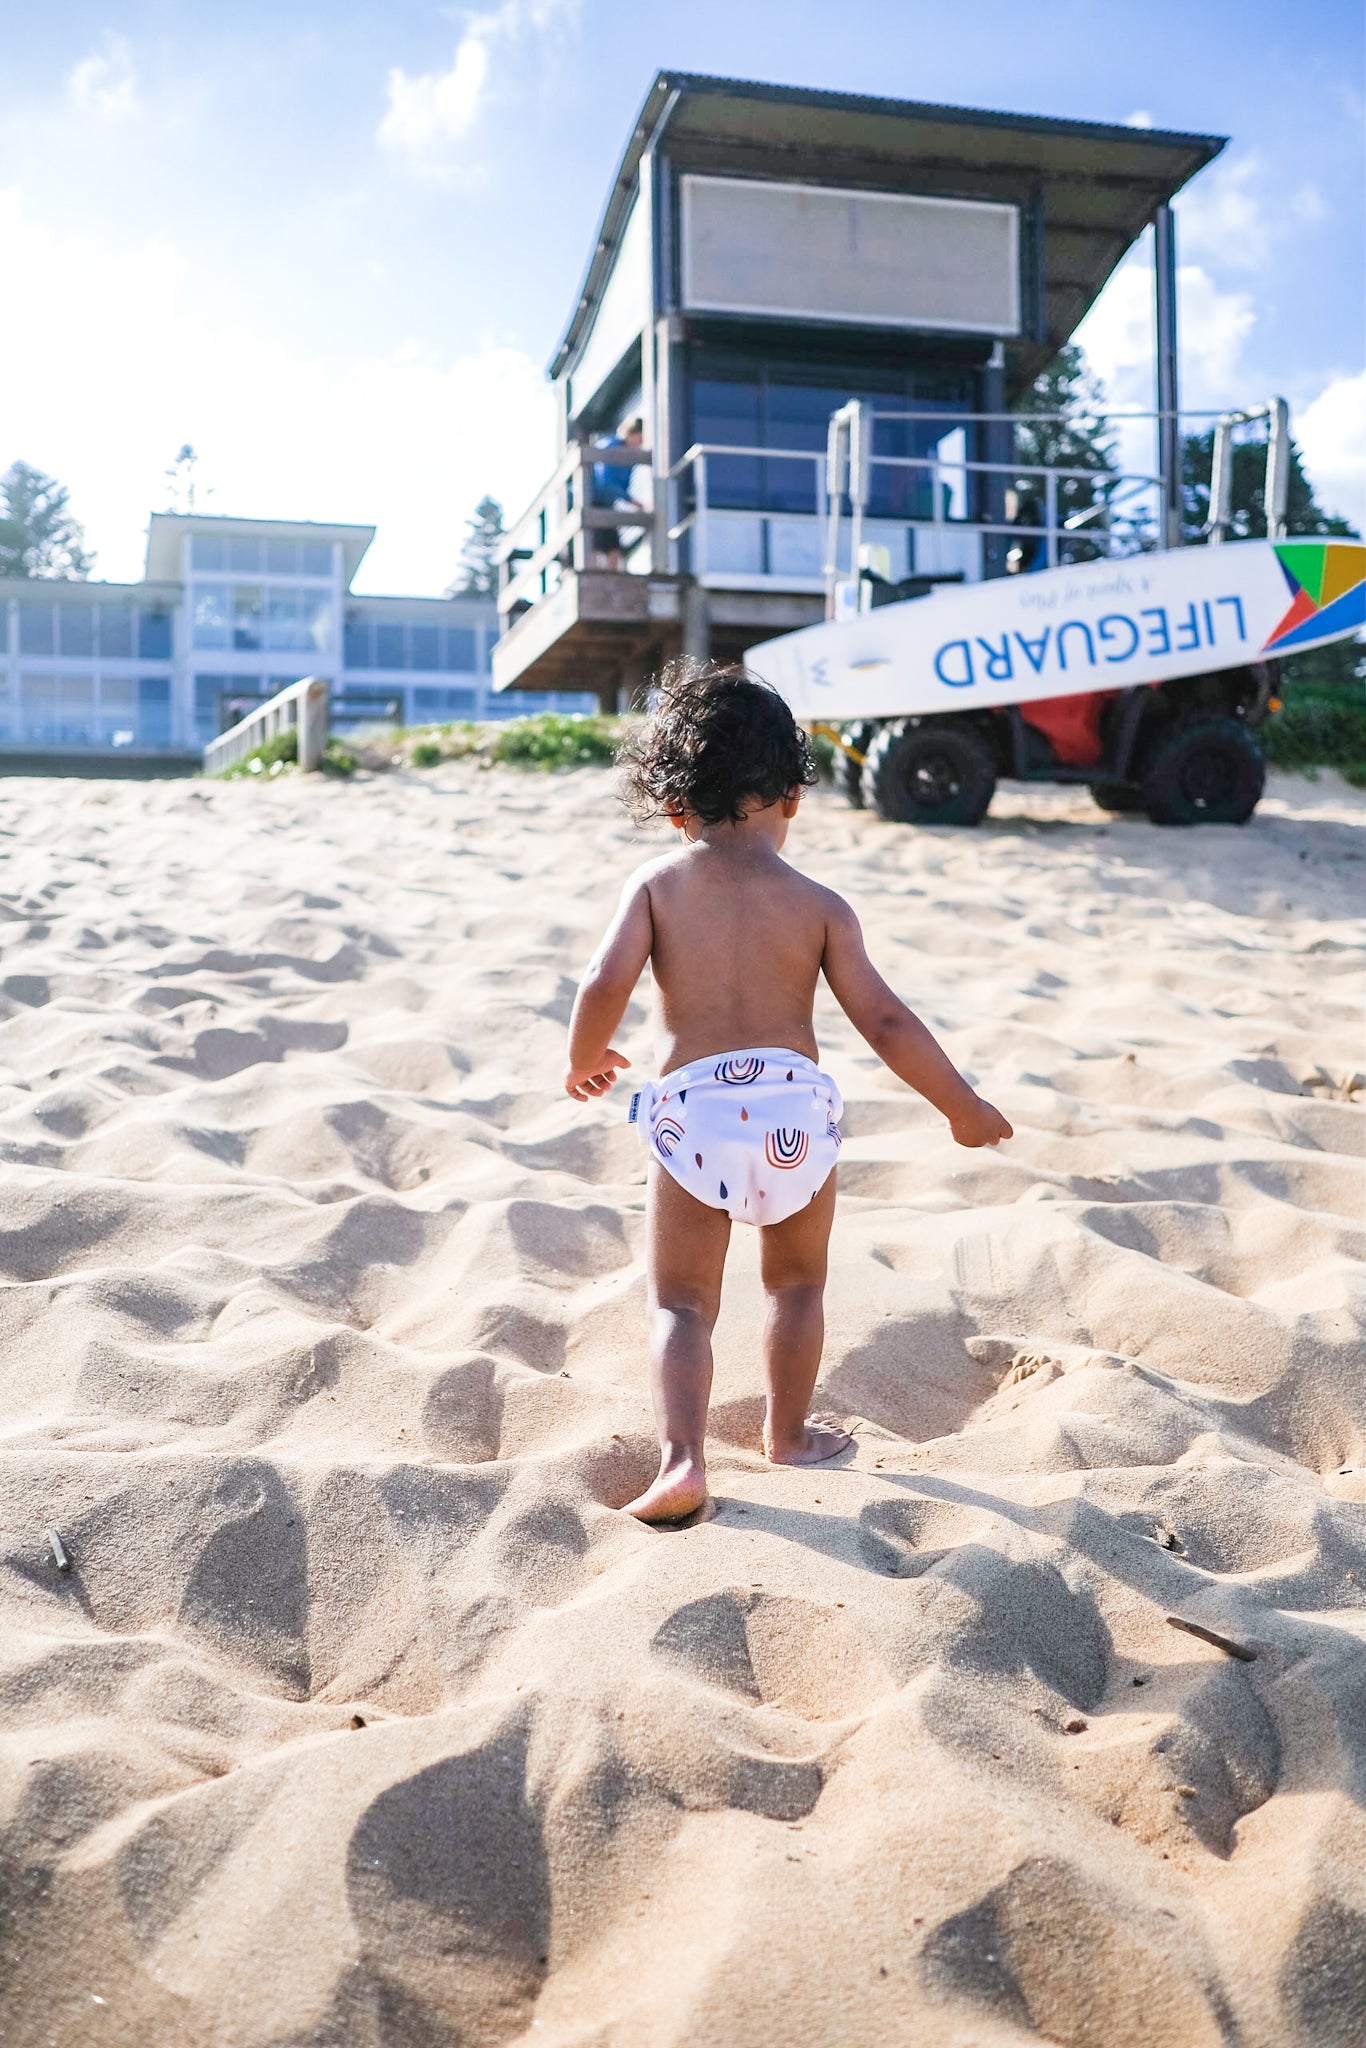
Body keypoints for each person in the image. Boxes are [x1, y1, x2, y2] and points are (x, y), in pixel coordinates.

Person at [563, 661, 1012, 1524]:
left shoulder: (657, 884)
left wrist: (585, 1058)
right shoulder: (820, 905)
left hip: (694, 1112)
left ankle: (684, 1460)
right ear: (793, 800)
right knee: (796, 1285)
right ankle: (790, 1433)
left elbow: (601, 982)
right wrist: (960, 1105)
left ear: (673, 805)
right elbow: (884, 1021)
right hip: (795, 1118)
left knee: (682, 1301)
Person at [591, 417, 646, 568]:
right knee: (595, 545)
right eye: (639, 438)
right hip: (593, 501)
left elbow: (620, 485)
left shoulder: (628, 456)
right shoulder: (612, 446)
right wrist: (632, 501)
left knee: (613, 548)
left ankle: (610, 577)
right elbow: (605, 482)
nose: (640, 444)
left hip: (607, 504)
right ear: (631, 434)